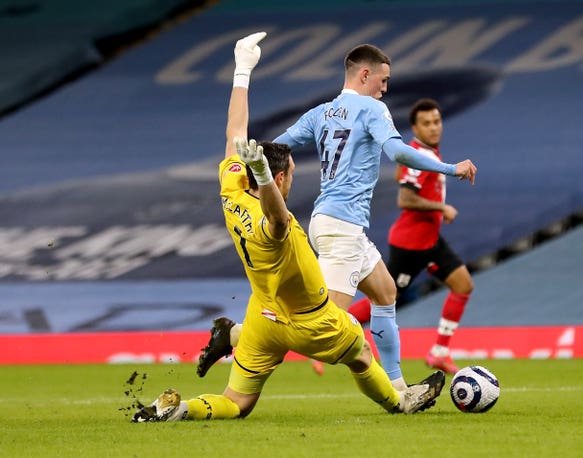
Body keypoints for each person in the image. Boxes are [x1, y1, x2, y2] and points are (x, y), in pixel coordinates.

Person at [132, 32, 445, 423]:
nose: (293, 179)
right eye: (291, 175)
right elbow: (278, 216)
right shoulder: (274, 226)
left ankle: (180, 408)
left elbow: (235, 130)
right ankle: (400, 401)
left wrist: (242, 71)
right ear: (277, 182)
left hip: (264, 317)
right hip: (308, 320)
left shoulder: (231, 190)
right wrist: (265, 172)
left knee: (237, 403)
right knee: (361, 354)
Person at [270, 44, 477, 389]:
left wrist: (248, 168)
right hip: (342, 227)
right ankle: (241, 337)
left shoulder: (321, 112)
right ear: (365, 75)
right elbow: (397, 151)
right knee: (326, 326)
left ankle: (398, 388)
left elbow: (274, 148)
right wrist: (450, 168)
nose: (385, 88)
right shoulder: (372, 108)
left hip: (334, 223)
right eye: (383, 80)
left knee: (385, 294)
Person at [348, 98, 474, 374]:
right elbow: (405, 198)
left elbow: (403, 177)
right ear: (415, 127)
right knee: (384, 300)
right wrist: (441, 207)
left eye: (437, 121)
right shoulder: (420, 155)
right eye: (426, 123)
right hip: (411, 244)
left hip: (430, 240)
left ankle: (440, 351)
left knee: (463, 285)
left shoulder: (424, 153)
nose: (434, 128)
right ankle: (334, 324)